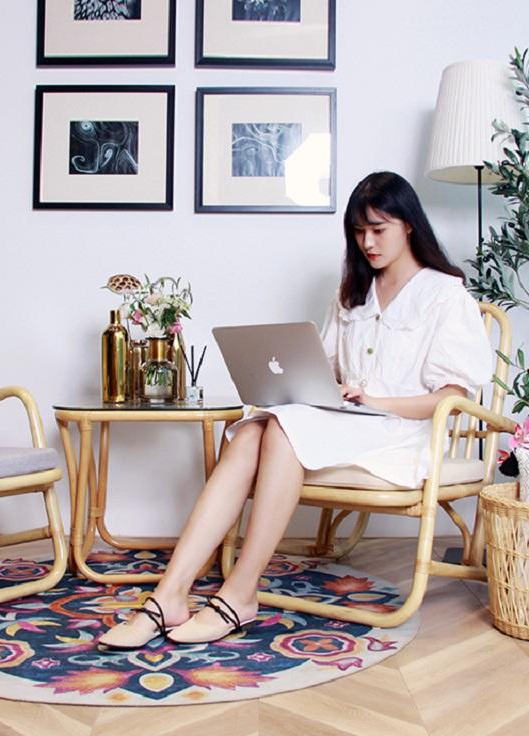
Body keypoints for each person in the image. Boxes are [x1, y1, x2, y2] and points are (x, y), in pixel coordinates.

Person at [98, 171, 493, 649]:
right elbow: (323, 368)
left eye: (378, 229)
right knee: (250, 430)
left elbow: (451, 398)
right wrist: (311, 386)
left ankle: (240, 593)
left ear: (408, 224)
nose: (367, 243)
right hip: (348, 422)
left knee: (282, 430)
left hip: (400, 432)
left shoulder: (444, 294)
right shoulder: (353, 292)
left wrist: (374, 401)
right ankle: (169, 596)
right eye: (358, 231)